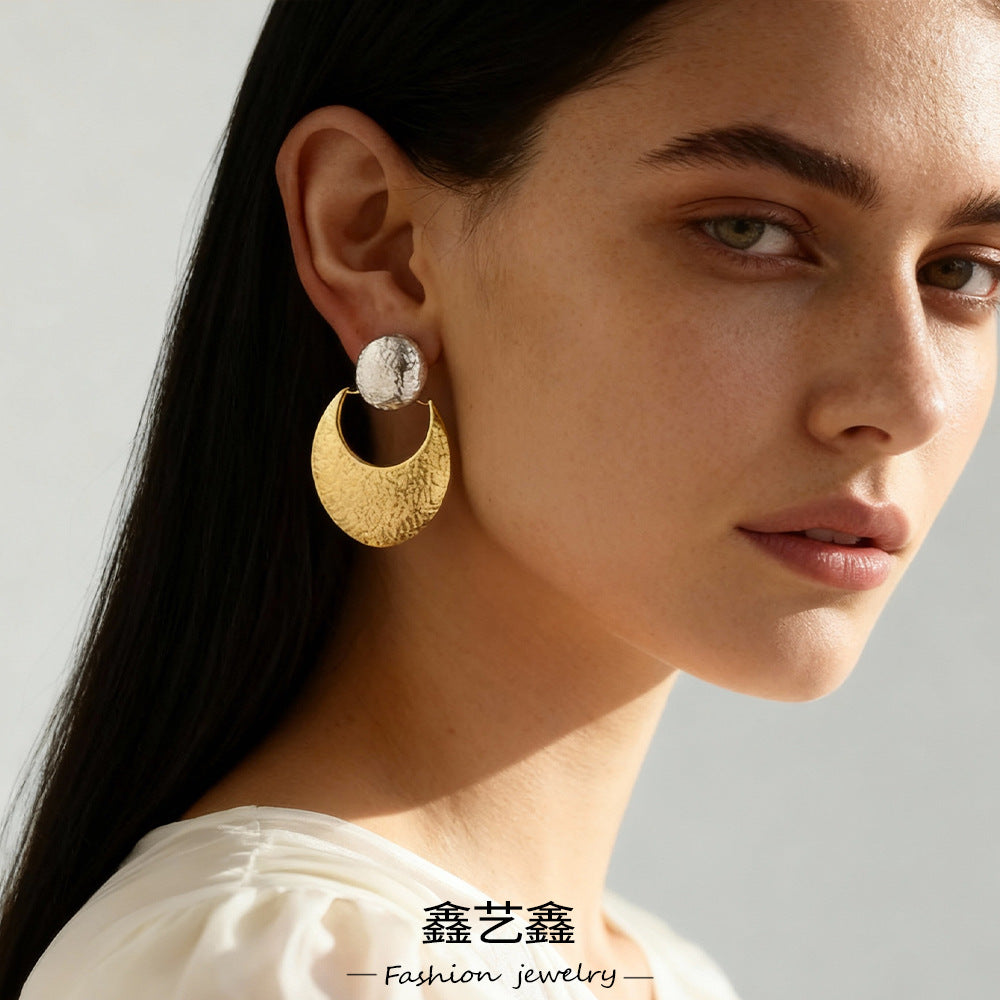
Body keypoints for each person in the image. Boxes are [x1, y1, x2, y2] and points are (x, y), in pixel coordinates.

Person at [3, 0, 1000, 997]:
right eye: (749, 232)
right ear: (378, 239)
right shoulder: (281, 965)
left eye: (962, 271)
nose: (910, 399)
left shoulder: (654, 974)